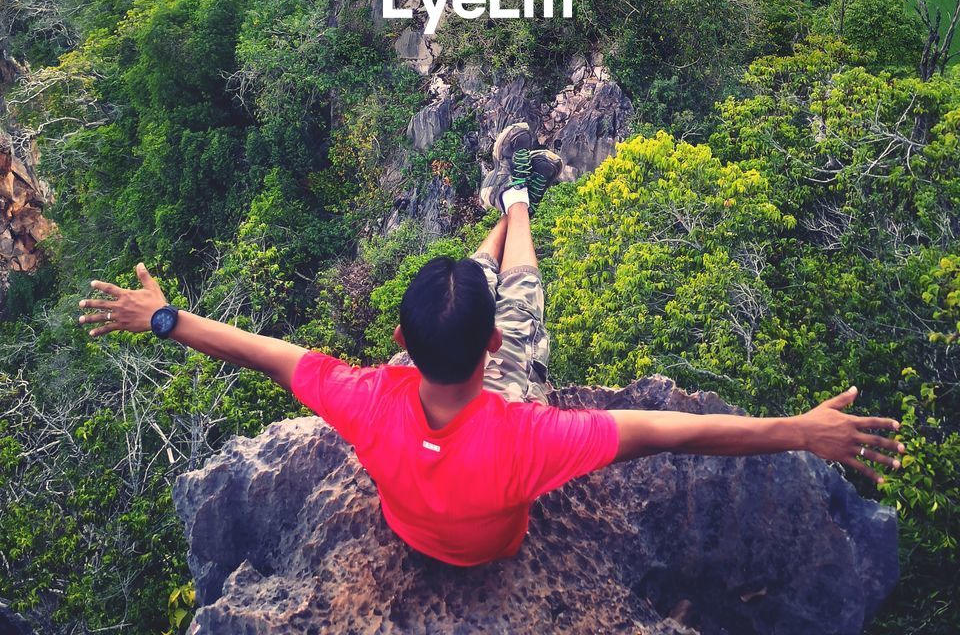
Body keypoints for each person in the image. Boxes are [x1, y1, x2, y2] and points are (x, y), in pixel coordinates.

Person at [78, 122, 904, 568]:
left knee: (473, 279)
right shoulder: (529, 438)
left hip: (411, 512)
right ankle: (519, 211)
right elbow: (674, 431)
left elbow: (264, 349)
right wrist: (802, 429)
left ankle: (506, 208)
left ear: (399, 341)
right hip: (493, 519)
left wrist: (162, 317)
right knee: (523, 288)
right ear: (489, 349)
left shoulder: (367, 396)